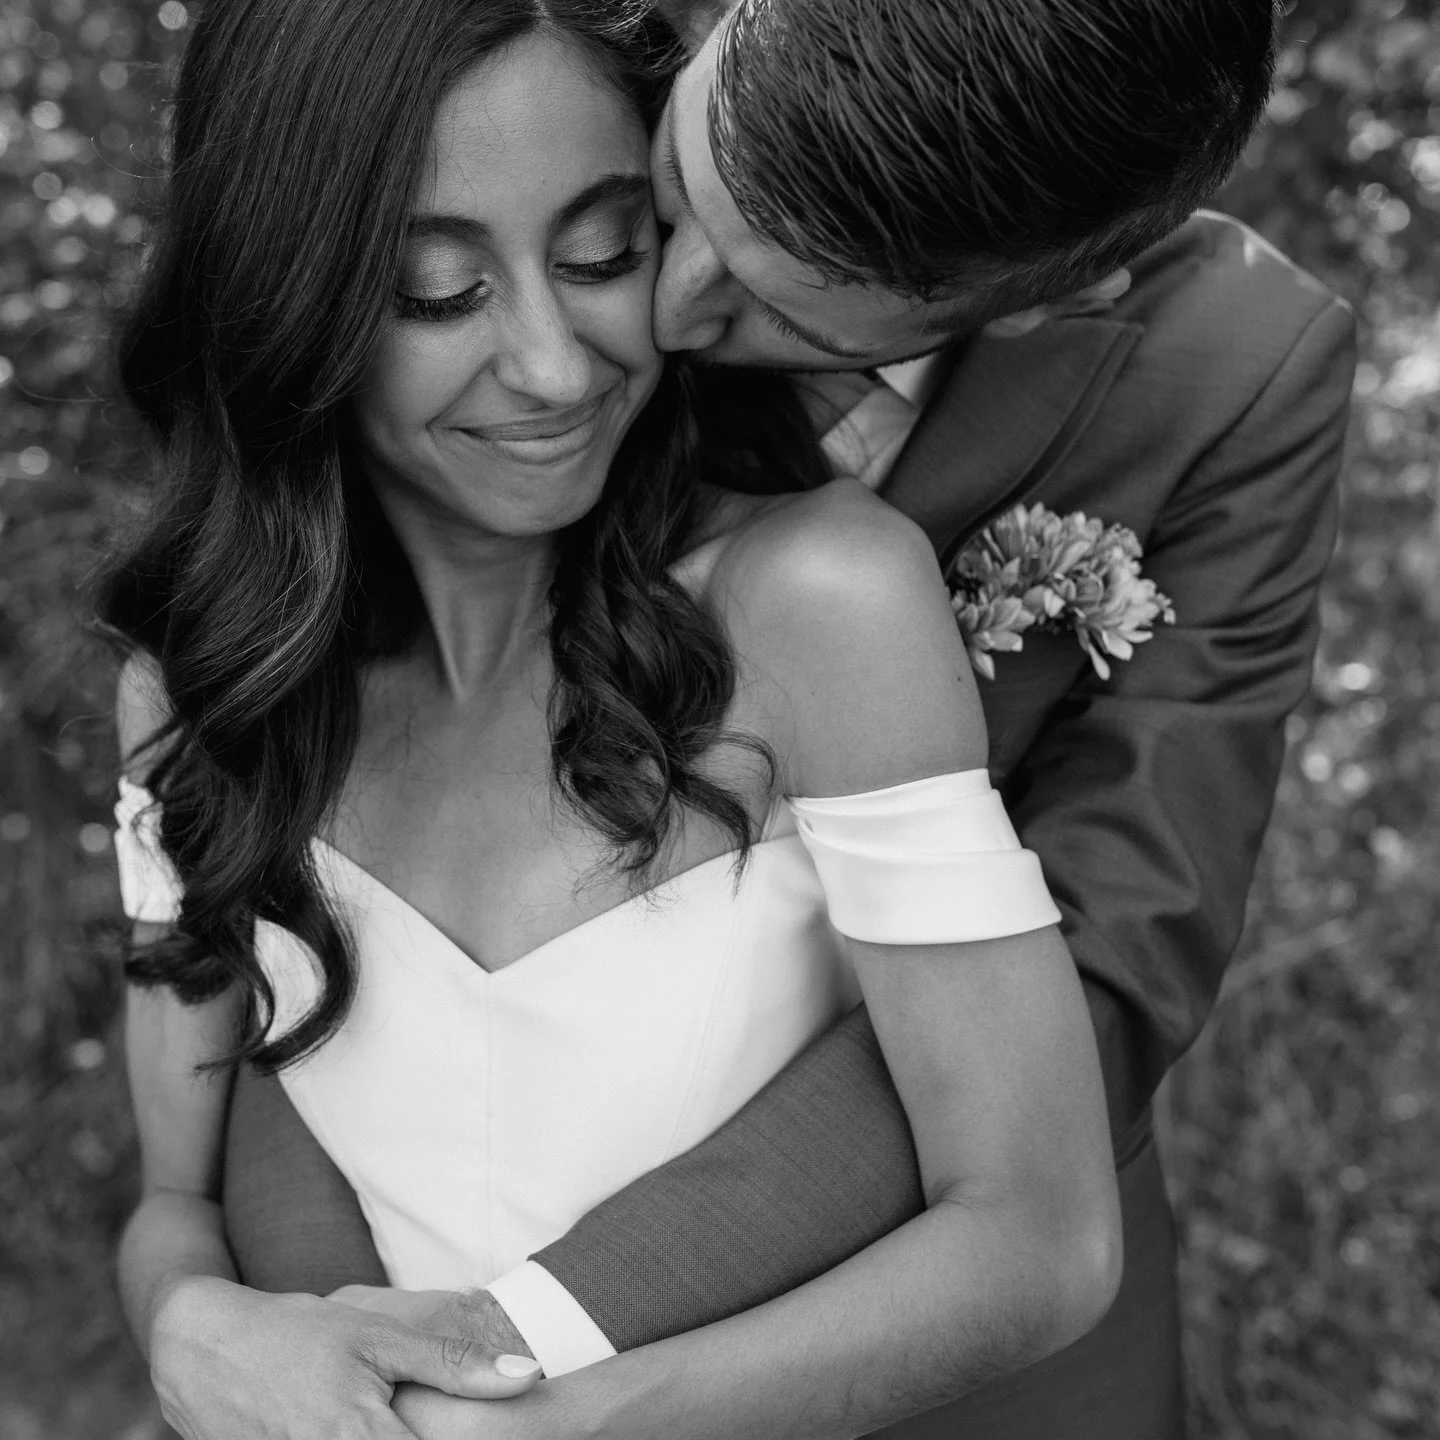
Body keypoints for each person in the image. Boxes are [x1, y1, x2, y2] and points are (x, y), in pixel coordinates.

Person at [221, 1, 1358, 1437]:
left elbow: (1111, 954)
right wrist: (325, 1346)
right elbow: (286, 829)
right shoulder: (550, 111)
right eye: (676, 201)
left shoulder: (1237, 371)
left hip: (947, 1358)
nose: (662, 316)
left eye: (779, 306)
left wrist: (521, 1348)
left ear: (1036, 298)